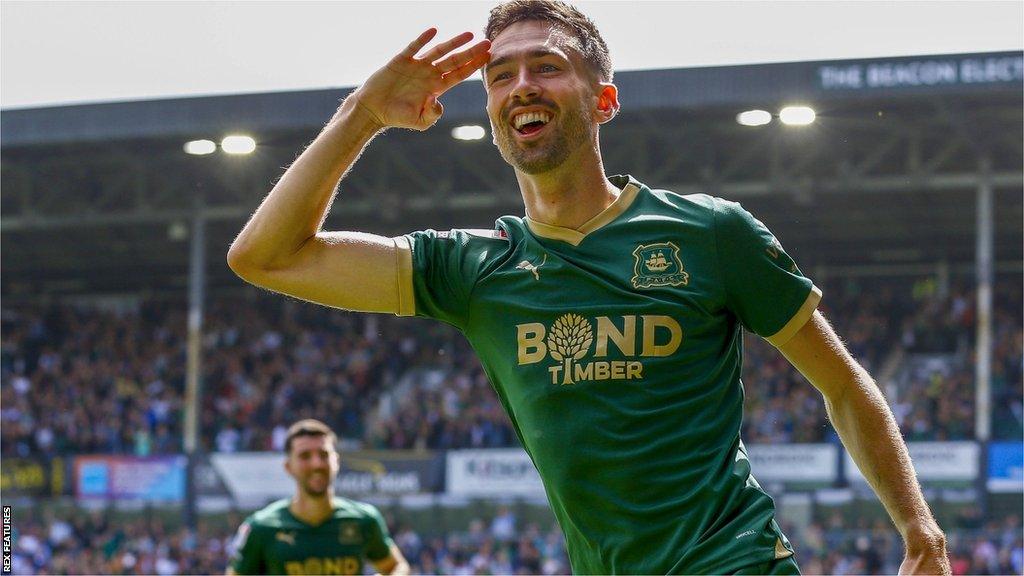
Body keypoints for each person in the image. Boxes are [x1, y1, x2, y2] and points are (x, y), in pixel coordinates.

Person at [226, 1, 950, 573]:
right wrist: (361, 115)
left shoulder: (710, 234)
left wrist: (920, 532)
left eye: (546, 67)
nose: (522, 87)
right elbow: (265, 257)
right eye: (501, 75)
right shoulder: (472, 270)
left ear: (603, 99)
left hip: (733, 564)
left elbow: (845, 385)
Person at [227, 420, 409, 575]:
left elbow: (398, 566)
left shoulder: (364, 520)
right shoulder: (262, 527)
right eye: (305, 456)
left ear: (336, 461)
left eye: (323, 455)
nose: (316, 464)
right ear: (288, 466)